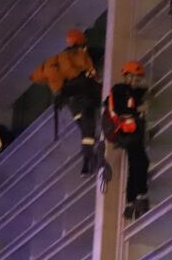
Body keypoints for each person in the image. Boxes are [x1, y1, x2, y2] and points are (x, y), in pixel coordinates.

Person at [31, 28, 102, 174]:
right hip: (85, 95)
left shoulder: (58, 61)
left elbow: (39, 77)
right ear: (82, 41)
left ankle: (88, 159)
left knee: (84, 127)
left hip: (70, 100)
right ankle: (87, 161)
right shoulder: (83, 55)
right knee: (88, 126)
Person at [105, 61, 150, 219]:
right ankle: (139, 196)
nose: (137, 82)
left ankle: (132, 201)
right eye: (136, 79)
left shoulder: (130, 92)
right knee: (141, 161)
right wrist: (138, 109)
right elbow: (119, 110)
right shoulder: (120, 90)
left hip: (129, 134)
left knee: (136, 163)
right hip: (126, 133)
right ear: (128, 76)